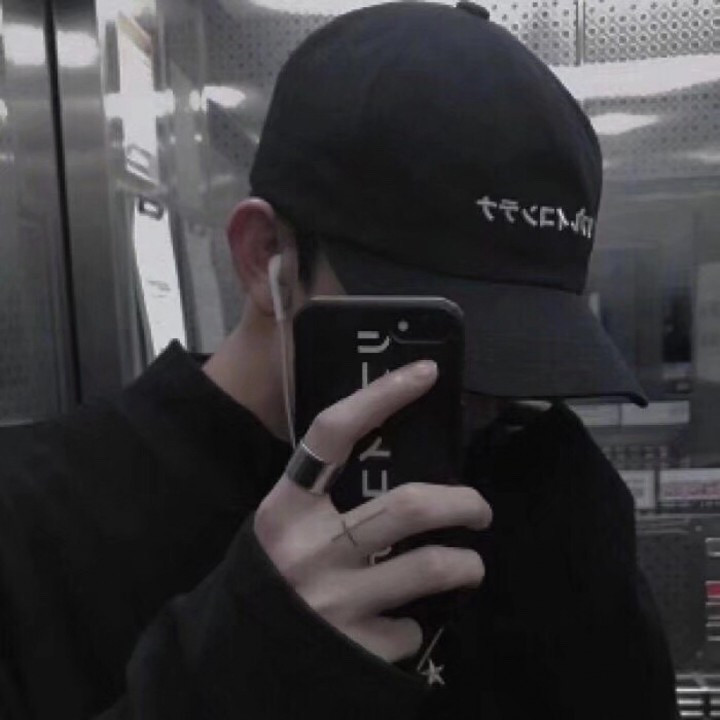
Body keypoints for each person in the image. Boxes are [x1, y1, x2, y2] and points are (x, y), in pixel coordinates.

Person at [0, 2, 678, 719]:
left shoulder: (548, 488)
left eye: (530, 347)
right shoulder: (34, 526)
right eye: (436, 333)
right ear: (267, 257)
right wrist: (248, 666)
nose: (486, 397)